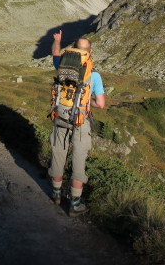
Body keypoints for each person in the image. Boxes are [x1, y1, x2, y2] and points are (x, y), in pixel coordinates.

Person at [49, 30, 105, 216]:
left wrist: (57, 40)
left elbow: (55, 54)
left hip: (60, 115)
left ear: (73, 50)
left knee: (58, 153)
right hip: (80, 120)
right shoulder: (93, 75)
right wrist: (88, 103)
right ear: (89, 52)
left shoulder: (62, 66)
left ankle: (56, 195)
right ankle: (74, 203)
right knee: (78, 160)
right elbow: (101, 104)